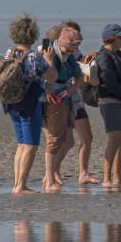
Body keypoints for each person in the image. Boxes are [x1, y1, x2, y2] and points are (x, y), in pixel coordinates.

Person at [0, 15, 49, 194]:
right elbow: (51, 75)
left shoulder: (10, 52)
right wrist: (47, 58)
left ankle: (17, 183)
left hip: (11, 101)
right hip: (29, 102)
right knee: (30, 144)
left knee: (21, 144)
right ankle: (20, 186)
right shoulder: (33, 56)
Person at [40, 23, 87, 191]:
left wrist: (71, 89)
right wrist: (46, 92)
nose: (75, 49)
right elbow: (39, 76)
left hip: (66, 100)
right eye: (73, 45)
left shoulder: (70, 57)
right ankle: (49, 179)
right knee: (54, 140)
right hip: (51, 101)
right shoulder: (49, 54)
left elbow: (79, 77)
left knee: (67, 140)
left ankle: (50, 175)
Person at [91, 23, 121, 189]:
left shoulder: (119, 55)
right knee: (114, 139)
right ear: (111, 38)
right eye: (120, 37)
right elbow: (110, 83)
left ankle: (117, 177)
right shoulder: (103, 56)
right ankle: (107, 177)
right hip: (109, 100)